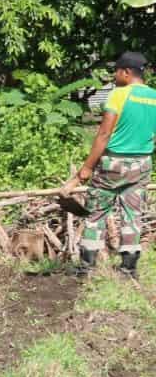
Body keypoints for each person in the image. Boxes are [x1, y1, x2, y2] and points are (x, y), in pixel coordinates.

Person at [63, 51, 156, 278]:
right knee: (133, 215)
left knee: (96, 213)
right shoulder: (154, 97)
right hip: (142, 164)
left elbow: (104, 134)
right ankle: (128, 269)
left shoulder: (119, 95)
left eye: (116, 71)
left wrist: (85, 169)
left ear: (126, 72)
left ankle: (86, 267)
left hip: (113, 164)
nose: (114, 76)